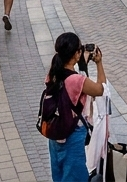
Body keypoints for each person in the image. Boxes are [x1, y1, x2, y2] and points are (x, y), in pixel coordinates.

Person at [43, 32, 108, 181]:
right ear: (76, 54)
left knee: (59, 176)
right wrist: (99, 63)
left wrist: (81, 61)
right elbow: (101, 89)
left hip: (55, 133)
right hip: (73, 136)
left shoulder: (52, 74)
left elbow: (70, 82)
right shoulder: (78, 81)